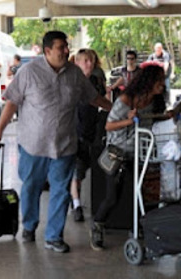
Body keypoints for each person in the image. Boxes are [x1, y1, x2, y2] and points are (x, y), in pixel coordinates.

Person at [0, 31, 112, 253]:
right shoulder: (28, 72)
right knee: (31, 188)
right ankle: (28, 226)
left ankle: (54, 236)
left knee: (61, 191)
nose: (66, 51)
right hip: (33, 146)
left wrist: (115, 109)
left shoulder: (75, 74)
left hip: (64, 145)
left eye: (66, 47)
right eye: (61, 48)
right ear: (47, 51)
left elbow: (93, 97)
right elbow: (12, 103)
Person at [90, 64, 169, 251]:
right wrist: (130, 119)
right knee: (112, 196)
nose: (162, 84)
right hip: (118, 153)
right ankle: (98, 225)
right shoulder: (127, 99)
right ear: (149, 81)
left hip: (141, 152)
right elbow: (109, 126)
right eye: (159, 80)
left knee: (142, 193)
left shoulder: (156, 100)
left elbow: (154, 119)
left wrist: (169, 115)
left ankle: (139, 227)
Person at [70, 49, 107, 222]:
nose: (89, 64)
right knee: (76, 172)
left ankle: (77, 200)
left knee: (86, 170)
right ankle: (76, 204)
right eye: (85, 61)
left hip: (91, 132)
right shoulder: (70, 83)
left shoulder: (95, 81)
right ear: (77, 63)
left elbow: (100, 101)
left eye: (91, 60)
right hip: (74, 133)